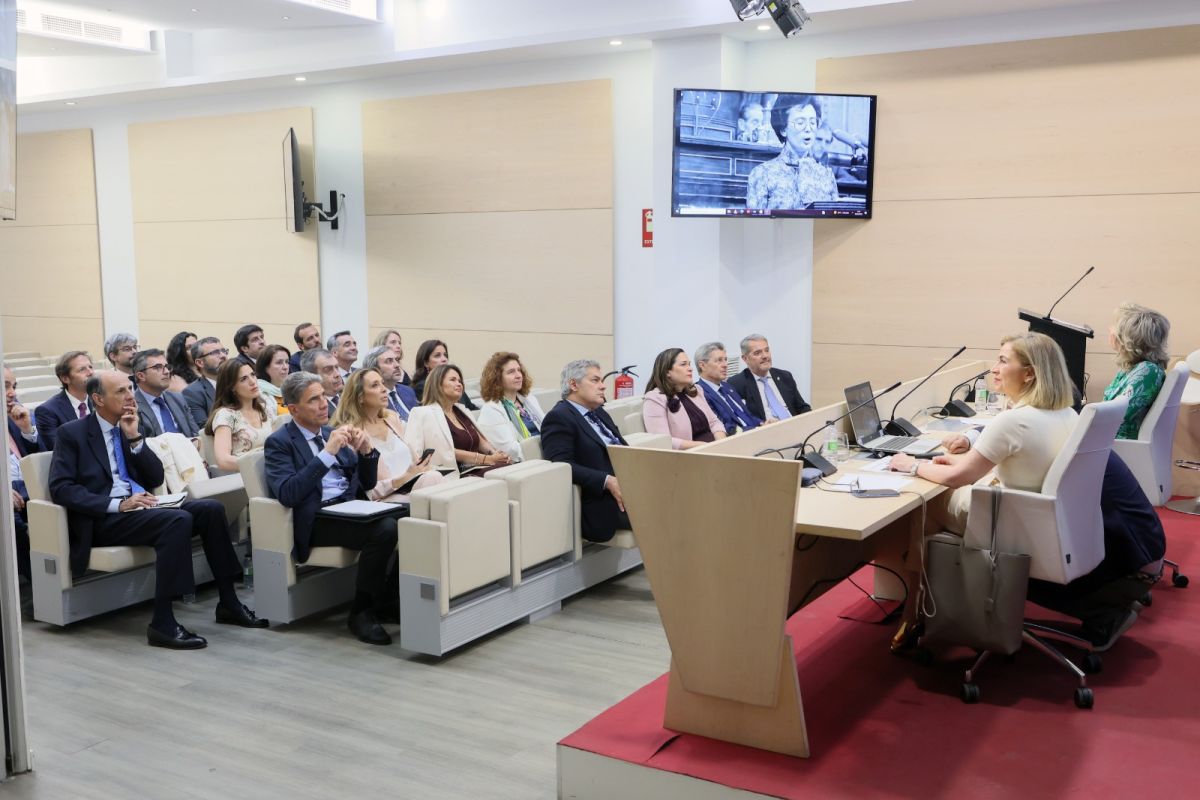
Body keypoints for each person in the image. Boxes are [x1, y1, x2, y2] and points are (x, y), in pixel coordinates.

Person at [48, 371, 265, 649]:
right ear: (98, 399)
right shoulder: (72, 433)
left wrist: (135, 438)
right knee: (177, 521)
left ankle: (229, 602)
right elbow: (62, 488)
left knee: (210, 510)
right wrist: (117, 504)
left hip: (138, 509)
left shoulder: (127, 426)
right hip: (104, 518)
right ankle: (162, 622)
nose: (130, 396)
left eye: (130, 389)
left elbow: (154, 477)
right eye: (121, 392)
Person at [887, 333, 1078, 649]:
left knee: (923, 503)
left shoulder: (1015, 420)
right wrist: (961, 462)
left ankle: (917, 609)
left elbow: (957, 477)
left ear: (1029, 374)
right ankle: (936, 605)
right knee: (935, 502)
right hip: (1038, 518)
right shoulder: (1067, 413)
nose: (994, 368)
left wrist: (910, 465)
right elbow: (1017, 463)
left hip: (1004, 520)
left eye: (1003, 361)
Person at [264, 372, 398, 645]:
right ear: (294, 409)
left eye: (323, 396)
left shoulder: (329, 432)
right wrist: (327, 454)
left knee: (412, 518)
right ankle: (361, 611)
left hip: (348, 509)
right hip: (316, 518)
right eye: (314, 400)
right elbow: (288, 493)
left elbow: (367, 483)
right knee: (385, 529)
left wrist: (366, 452)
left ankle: (388, 599)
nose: (324, 403)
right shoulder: (280, 442)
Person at [540, 360, 630, 543]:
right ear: (574, 385)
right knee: (671, 511)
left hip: (629, 486)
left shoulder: (599, 412)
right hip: (603, 500)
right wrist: (607, 481)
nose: (603, 386)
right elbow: (562, 465)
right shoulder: (559, 417)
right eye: (595, 380)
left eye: (601, 381)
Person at [332, 369, 444, 501]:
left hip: (415, 486)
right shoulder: (351, 433)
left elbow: (414, 461)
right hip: (386, 497)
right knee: (433, 481)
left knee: (438, 479)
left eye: (382, 383)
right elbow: (364, 489)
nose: (384, 389)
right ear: (360, 396)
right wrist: (404, 478)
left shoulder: (392, 418)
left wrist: (421, 467)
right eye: (375, 385)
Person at [404, 364, 510, 475]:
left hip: (478, 466)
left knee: (510, 466)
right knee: (503, 472)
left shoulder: (462, 410)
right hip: (452, 473)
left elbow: (480, 441)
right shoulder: (423, 413)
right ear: (438, 384)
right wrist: (487, 459)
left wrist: (497, 454)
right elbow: (446, 451)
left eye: (459, 381)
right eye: (453, 380)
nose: (459, 384)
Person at [745, 94, 839, 210]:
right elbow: (755, 220)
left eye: (812, 123)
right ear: (783, 129)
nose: (808, 129)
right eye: (800, 123)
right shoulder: (762, 174)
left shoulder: (826, 175)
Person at [1104, 302, 1171, 439]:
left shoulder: (1147, 371)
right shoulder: (1133, 367)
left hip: (1113, 443)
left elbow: (1120, 414)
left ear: (1128, 339)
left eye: (1115, 327)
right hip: (1106, 438)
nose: (1110, 329)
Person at [642, 348, 725, 450]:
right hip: (690, 454)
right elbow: (663, 441)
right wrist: (705, 447)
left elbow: (714, 422)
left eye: (689, 364)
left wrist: (721, 443)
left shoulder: (696, 390)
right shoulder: (654, 399)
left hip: (714, 448)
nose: (690, 368)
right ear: (667, 372)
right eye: (683, 364)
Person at [6, 366, 45, 581]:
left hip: (29, 486)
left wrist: (27, 430)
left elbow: (41, 457)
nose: (12, 393)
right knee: (12, 520)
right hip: (9, 492)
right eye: (5, 386)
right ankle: (40, 584)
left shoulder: (14, 417)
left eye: (14, 386)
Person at [204, 359, 274, 473]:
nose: (253, 382)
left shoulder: (265, 409)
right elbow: (223, 460)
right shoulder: (226, 415)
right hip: (247, 475)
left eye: (253, 375)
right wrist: (267, 463)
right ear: (232, 387)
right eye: (243, 379)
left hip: (275, 470)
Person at [476, 351, 545, 463]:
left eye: (519, 370)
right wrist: (546, 445)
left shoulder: (529, 399)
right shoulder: (491, 409)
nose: (518, 375)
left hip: (545, 451)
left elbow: (546, 427)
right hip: (524, 463)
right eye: (511, 372)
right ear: (497, 378)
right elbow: (510, 451)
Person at [727, 334, 811, 422]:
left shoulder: (785, 376)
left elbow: (802, 407)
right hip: (766, 428)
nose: (765, 356)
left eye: (767, 350)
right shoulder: (736, 384)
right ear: (745, 358)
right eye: (757, 353)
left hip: (793, 424)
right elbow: (740, 418)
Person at [694, 342, 763, 435]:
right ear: (702, 365)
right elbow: (723, 426)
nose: (725, 364)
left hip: (756, 432)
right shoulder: (699, 393)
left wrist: (762, 423)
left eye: (725, 359)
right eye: (719, 360)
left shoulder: (727, 386)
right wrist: (756, 429)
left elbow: (747, 415)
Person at [132, 348, 200, 438]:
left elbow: (195, 433)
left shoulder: (178, 398)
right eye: (158, 367)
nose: (167, 372)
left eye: (167, 367)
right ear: (141, 376)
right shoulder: (132, 406)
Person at [34, 350, 95, 450]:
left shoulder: (101, 401)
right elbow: (61, 449)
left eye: (90, 367)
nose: (90, 372)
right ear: (65, 378)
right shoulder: (47, 411)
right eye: (82, 369)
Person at [412, 339, 478, 410]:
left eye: (445, 355)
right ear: (426, 363)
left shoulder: (456, 382)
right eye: (437, 356)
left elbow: (472, 408)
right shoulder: (422, 387)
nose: (444, 359)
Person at [361, 345, 419, 421]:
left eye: (396, 360)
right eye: (389, 361)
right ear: (374, 369)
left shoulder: (407, 391)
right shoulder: (373, 399)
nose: (397, 365)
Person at [182, 337, 227, 429]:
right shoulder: (192, 393)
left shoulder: (239, 382)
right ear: (200, 363)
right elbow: (204, 428)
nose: (223, 355)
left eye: (224, 351)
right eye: (215, 352)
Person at [300, 348, 344, 418]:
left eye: (337, 367)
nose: (337, 374)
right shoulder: (312, 409)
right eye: (328, 370)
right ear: (311, 375)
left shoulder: (350, 396)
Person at [256, 344, 293, 416]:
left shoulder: (293, 389)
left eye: (287, 362)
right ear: (265, 367)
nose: (285, 367)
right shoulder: (259, 393)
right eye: (279, 362)